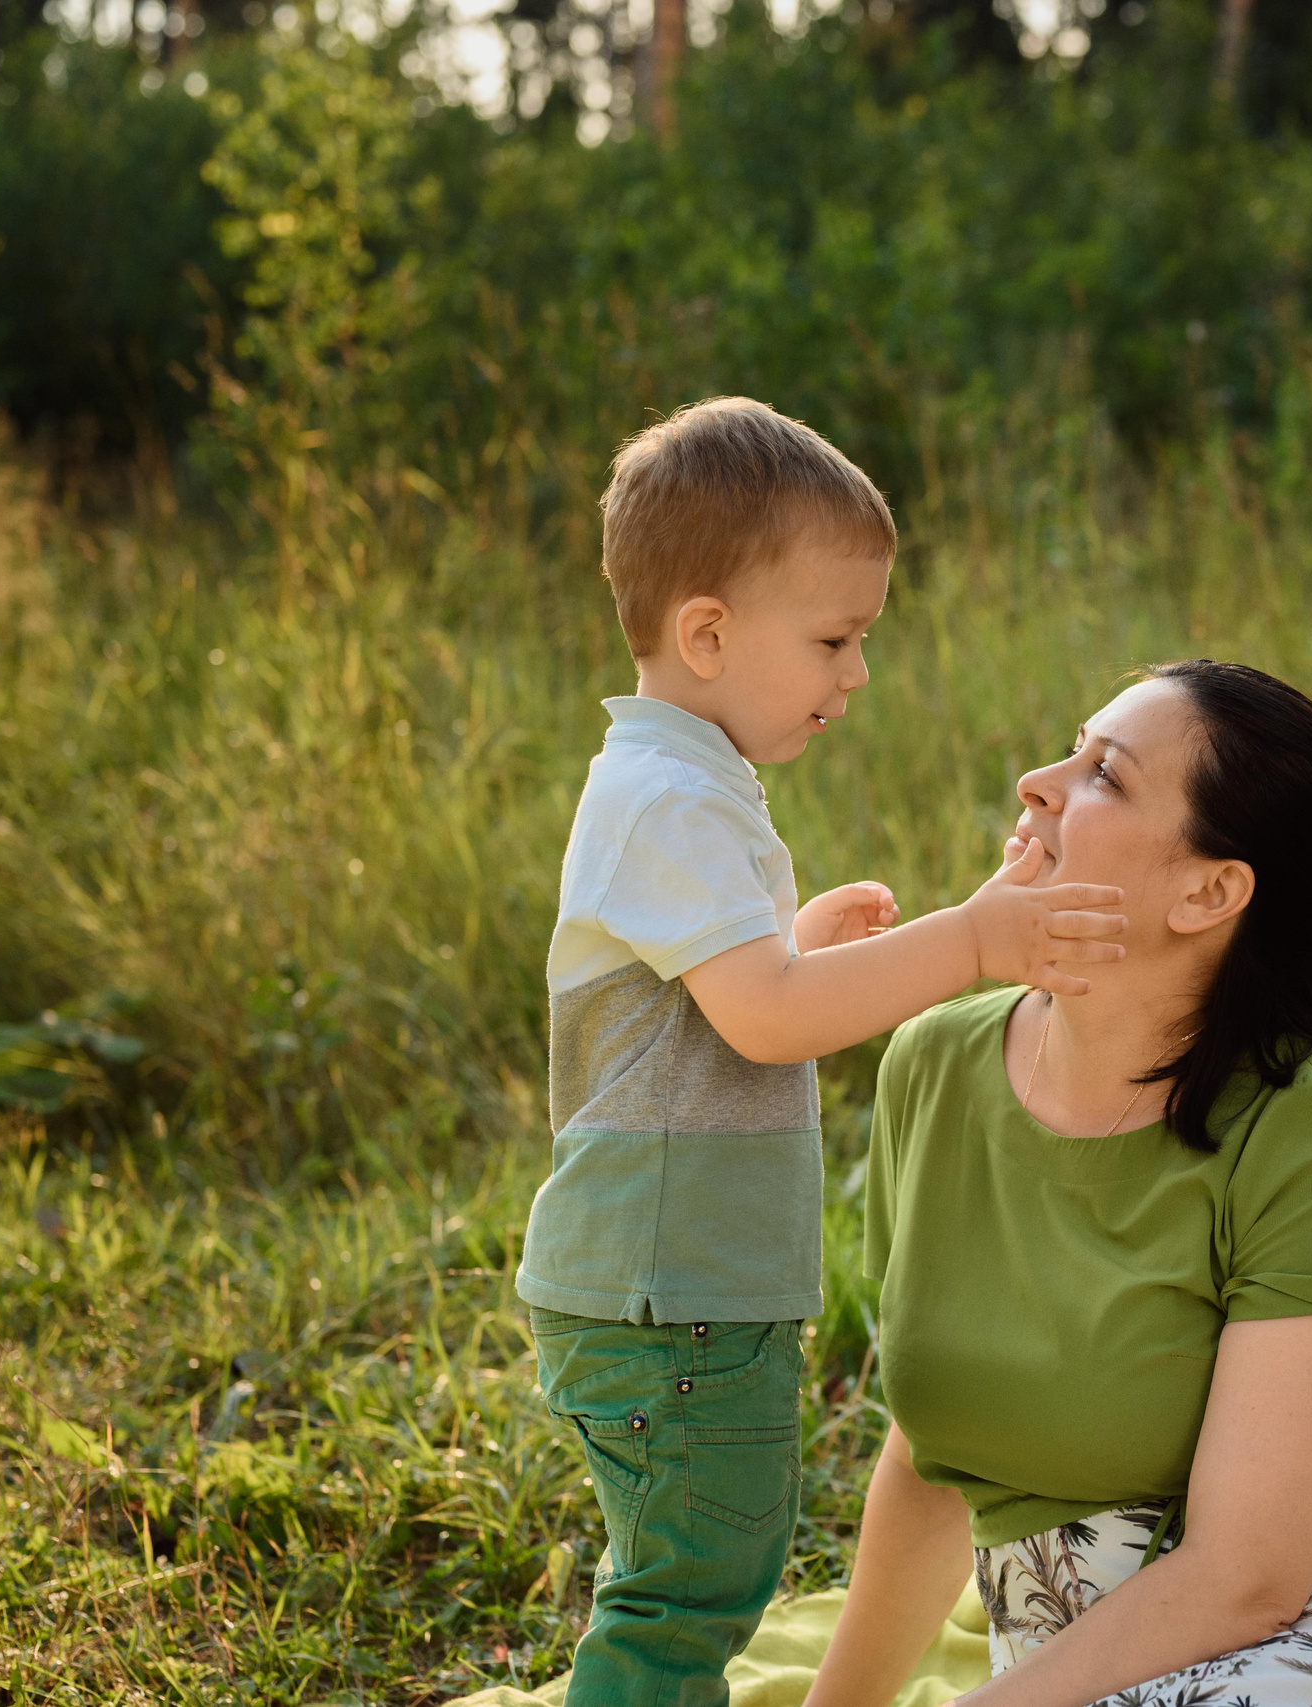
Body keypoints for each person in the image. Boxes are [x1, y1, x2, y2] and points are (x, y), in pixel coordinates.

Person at [801, 660, 1312, 1707]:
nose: (1036, 784)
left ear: (1208, 891)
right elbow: (937, 1447)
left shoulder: (1310, 1122)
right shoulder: (933, 1061)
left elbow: (1248, 1578)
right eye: (1069, 748)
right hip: (1097, 1649)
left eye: (1104, 775)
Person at [514, 397, 1127, 1707]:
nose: (856, 674)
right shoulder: (672, 796)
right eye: (837, 638)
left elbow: (712, 1000)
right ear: (708, 631)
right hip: (665, 1291)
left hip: (671, 1282)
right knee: (690, 1591)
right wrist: (972, 940)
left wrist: (787, 939)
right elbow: (772, 1017)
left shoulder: (678, 781)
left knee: (695, 1567)